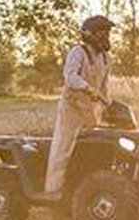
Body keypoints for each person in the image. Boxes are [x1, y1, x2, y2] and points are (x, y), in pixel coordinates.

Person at [42, 15, 115, 201]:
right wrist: (88, 88)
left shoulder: (106, 58)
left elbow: (104, 86)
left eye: (107, 32)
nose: (105, 36)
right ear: (90, 34)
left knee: (91, 148)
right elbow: (70, 77)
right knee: (64, 147)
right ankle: (53, 191)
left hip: (90, 108)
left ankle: (82, 189)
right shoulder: (78, 52)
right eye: (102, 32)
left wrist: (108, 104)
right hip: (72, 105)